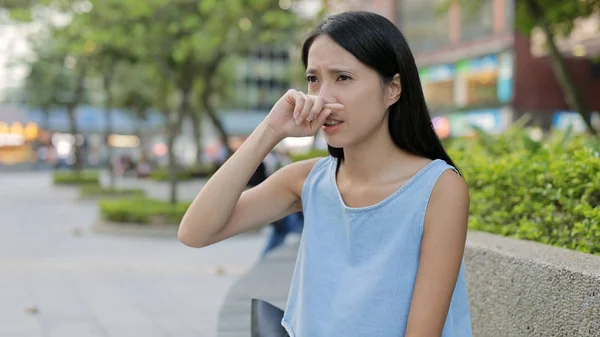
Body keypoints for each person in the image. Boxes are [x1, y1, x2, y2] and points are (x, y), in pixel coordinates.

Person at [179, 11, 472, 337]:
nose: (323, 98)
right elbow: (195, 232)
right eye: (313, 79)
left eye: (343, 77)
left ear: (393, 89)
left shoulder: (438, 188)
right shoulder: (307, 181)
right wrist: (271, 130)